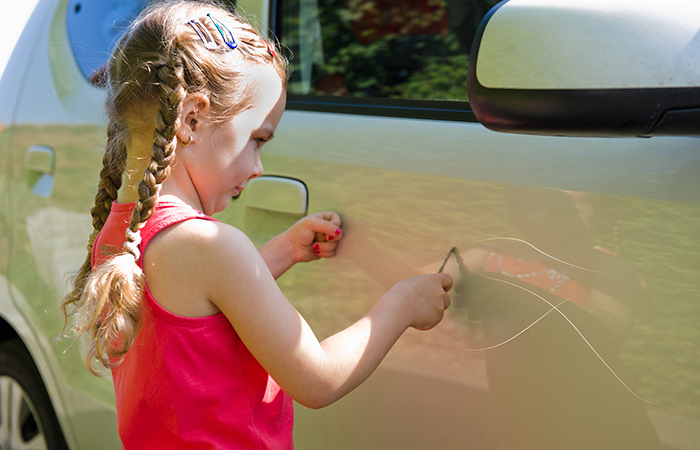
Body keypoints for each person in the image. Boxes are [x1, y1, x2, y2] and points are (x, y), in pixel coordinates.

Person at [60, 1, 452, 449]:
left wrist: (284, 250)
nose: (259, 166)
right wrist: (401, 303)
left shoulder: (121, 234)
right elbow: (318, 379)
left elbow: (199, 313)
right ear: (190, 119)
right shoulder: (209, 244)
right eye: (258, 139)